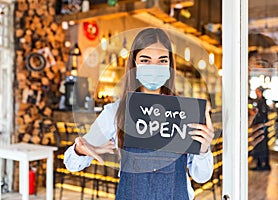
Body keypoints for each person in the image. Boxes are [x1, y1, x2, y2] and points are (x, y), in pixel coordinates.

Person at [64, 28, 215, 200]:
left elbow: (201, 176)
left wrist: (203, 149)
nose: (154, 67)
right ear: (134, 64)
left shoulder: (185, 113)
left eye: (162, 61)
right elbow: (71, 163)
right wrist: (80, 150)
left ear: (169, 66)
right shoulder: (116, 112)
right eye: (145, 60)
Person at [250, 86, 271, 171]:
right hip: (259, 127)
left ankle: (263, 164)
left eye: (257, 92)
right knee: (259, 146)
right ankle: (260, 164)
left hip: (261, 127)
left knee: (262, 146)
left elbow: (262, 115)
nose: (256, 93)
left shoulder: (262, 103)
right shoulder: (259, 102)